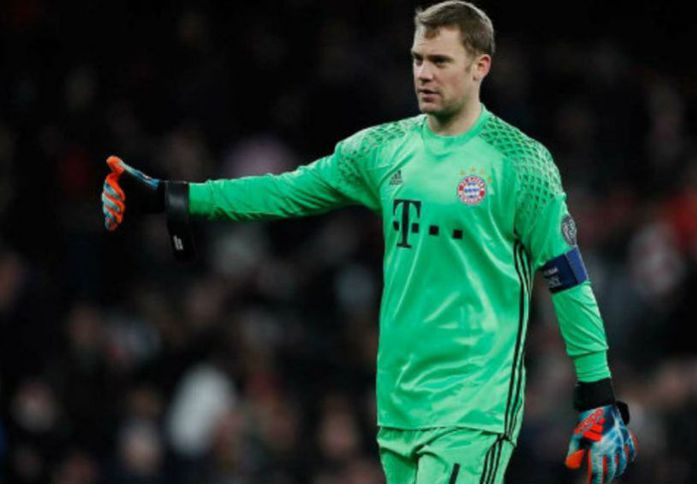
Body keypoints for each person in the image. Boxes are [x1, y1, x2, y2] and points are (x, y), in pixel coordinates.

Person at [100, 1, 637, 482]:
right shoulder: (382, 149)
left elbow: (568, 279)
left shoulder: (521, 163)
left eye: (440, 61)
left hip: (474, 403)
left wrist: (598, 395)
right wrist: (171, 197)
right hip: (399, 402)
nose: (423, 73)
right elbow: (285, 191)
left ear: (480, 67)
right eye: (417, 59)